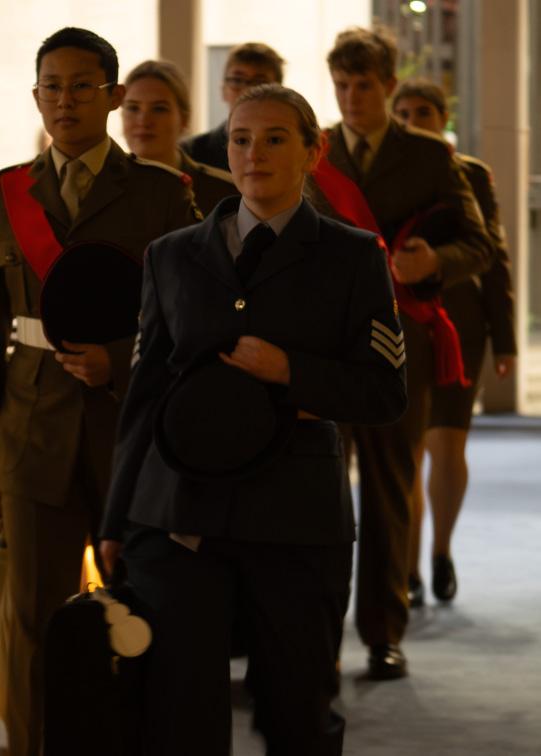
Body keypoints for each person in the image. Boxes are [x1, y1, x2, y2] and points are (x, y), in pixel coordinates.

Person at [99, 83, 407, 755]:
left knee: (299, 713)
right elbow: (145, 398)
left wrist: (291, 370)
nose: (253, 154)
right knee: (179, 714)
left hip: (295, 520)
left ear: (312, 152)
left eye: (273, 139)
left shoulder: (353, 256)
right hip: (176, 517)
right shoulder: (171, 255)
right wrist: (116, 519)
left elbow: (384, 393)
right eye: (240, 139)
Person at [0, 27, 198, 756]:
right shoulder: (6, 194)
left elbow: (188, 317)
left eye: (82, 86)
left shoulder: (159, 193)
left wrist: (118, 360)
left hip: (131, 429)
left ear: (112, 96)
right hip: (31, 431)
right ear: (35, 97)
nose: (65, 101)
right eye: (52, 87)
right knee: (29, 617)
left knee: (140, 612)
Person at [305, 26, 493, 680]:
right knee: (322, 493)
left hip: (397, 345)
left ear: (388, 85)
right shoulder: (313, 150)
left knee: (388, 492)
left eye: (363, 85)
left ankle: (384, 633)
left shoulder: (428, 155)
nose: (351, 98)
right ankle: (318, 636)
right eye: (341, 85)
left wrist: (433, 261)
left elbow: (480, 244)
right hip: (324, 347)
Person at [391, 78, 516, 606]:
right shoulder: (384, 175)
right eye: (403, 113)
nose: (412, 120)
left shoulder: (472, 174)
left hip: (460, 326)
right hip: (399, 325)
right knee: (408, 449)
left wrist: (506, 340)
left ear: (443, 118)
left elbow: (494, 259)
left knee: (447, 445)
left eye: (423, 111)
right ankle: (408, 567)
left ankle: (440, 551)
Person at [122, 59, 237, 215]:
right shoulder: (99, 187)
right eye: (133, 108)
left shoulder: (224, 193)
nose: (143, 121)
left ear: (184, 119)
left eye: (159, 109)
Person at [181, 41, 285, 170]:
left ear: (279, 92)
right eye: (237, 80)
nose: (248, 90)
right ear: (223, 90)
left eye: (259, 82)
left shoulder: (290, 150)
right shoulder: (191, 153)